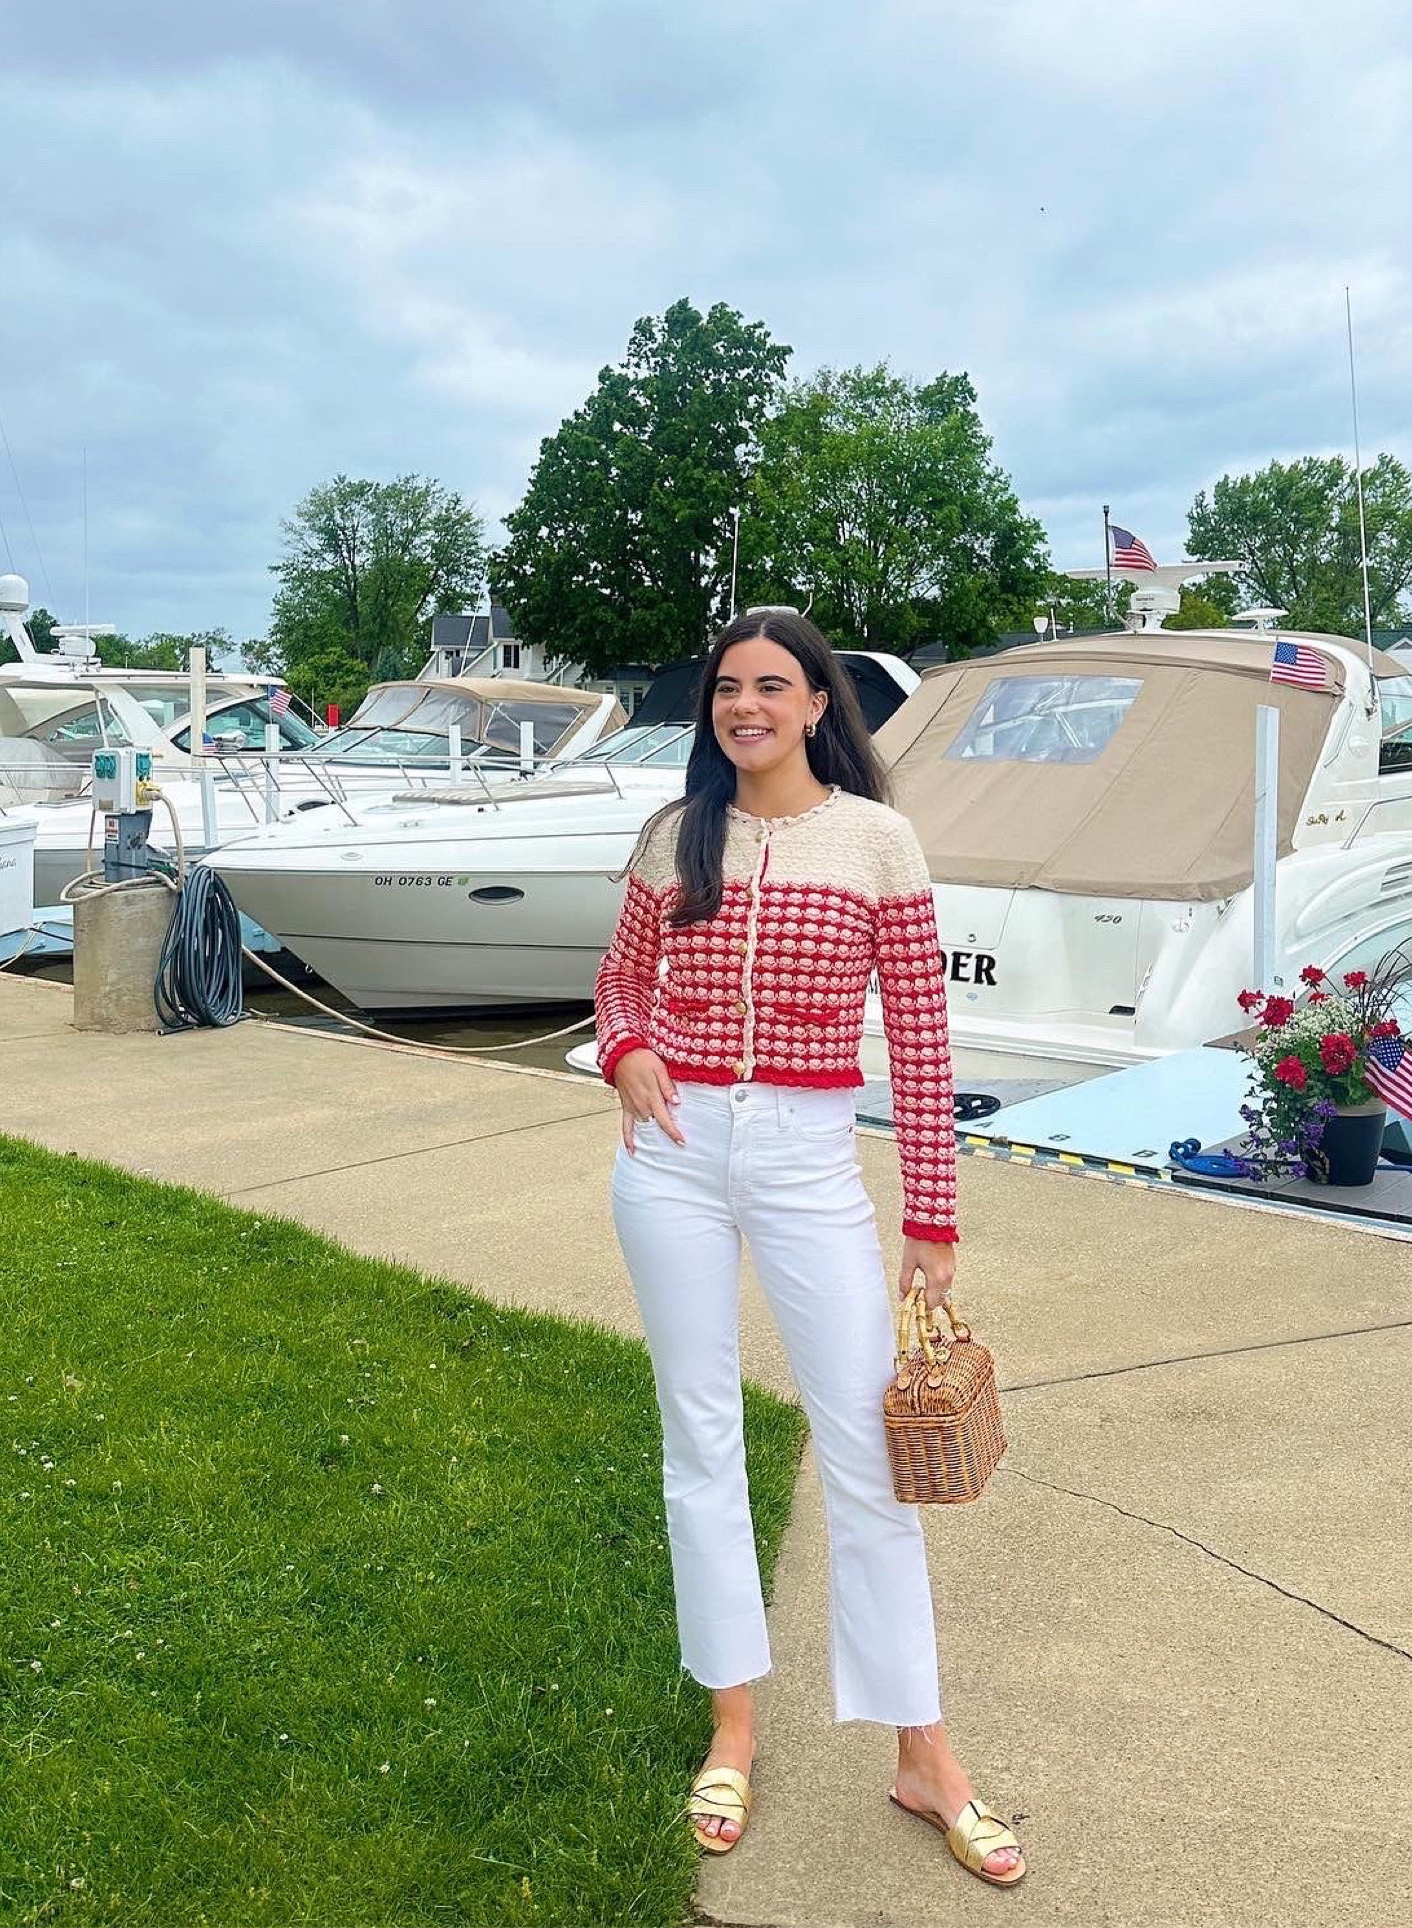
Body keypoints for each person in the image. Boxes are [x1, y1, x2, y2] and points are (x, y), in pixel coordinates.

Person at [593, 609, 1025, 1890]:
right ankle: (735, 1721)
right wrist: (627, 1050)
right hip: (668, 1158)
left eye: (772, 685)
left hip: (805, 1153)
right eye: (729, 687)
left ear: (818, 703)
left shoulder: (876, 841)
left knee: (869, 1455)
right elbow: (617, 983)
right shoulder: (676, 836)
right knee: (699, 1430)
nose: (746, 706)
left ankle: (923, 1752)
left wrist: (933, 1215)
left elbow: (925, 1039)